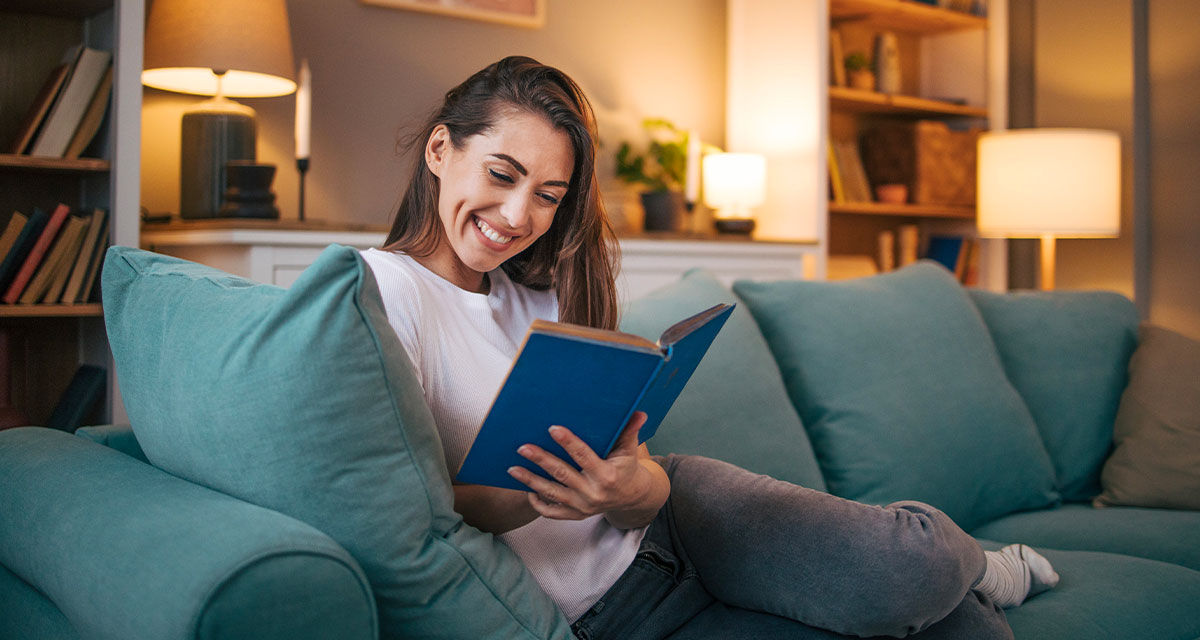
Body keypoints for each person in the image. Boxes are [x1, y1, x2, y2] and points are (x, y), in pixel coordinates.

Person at [362, 56, 1058, 639]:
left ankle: (977, 562)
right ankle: (974, 582)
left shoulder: (537, 295)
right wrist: (543, 494)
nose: (519, 217)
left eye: (548, 195)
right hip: (612, 615)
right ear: (440, 150)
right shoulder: (379, 292)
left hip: (685, 517)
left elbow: (638, 486)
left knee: (919, 569)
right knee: (964, 631)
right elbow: (420, 508)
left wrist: (633, 486)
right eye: (501, 174)